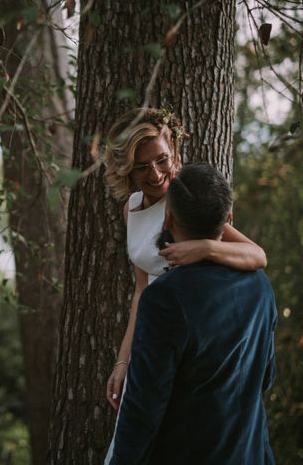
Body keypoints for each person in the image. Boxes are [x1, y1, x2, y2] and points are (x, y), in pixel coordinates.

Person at [101, 108, 267, 462]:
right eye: (143, 166)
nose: (156, 173)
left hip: (191, 336)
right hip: (152, 335)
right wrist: (122, 361)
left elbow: (257, 255)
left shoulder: (185, 204)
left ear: (173, 152)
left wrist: (207, 246)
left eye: (161, 160)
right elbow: (141, 290)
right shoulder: (131, 209)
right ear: (128, 168)